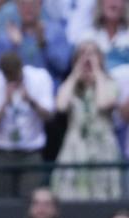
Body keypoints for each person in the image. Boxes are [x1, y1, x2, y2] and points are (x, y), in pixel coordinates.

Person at [51, 40, 121, 200]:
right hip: (75, 148)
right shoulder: (70, 86)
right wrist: (75, 74)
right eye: (82, 54)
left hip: (102, 147)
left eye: (92, 54)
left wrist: (97, 72)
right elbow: (61, 106)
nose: (87, 58)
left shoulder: (110, 84)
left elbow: (103, 103)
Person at [0, 52, 55, 197]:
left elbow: (50, 115)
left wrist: (31, 100)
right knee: (2, 203)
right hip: (2, 152)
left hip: (31, 151)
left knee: (30, 201)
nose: (13, 80)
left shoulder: (39, 77)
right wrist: (4, 103)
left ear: (22, 68)